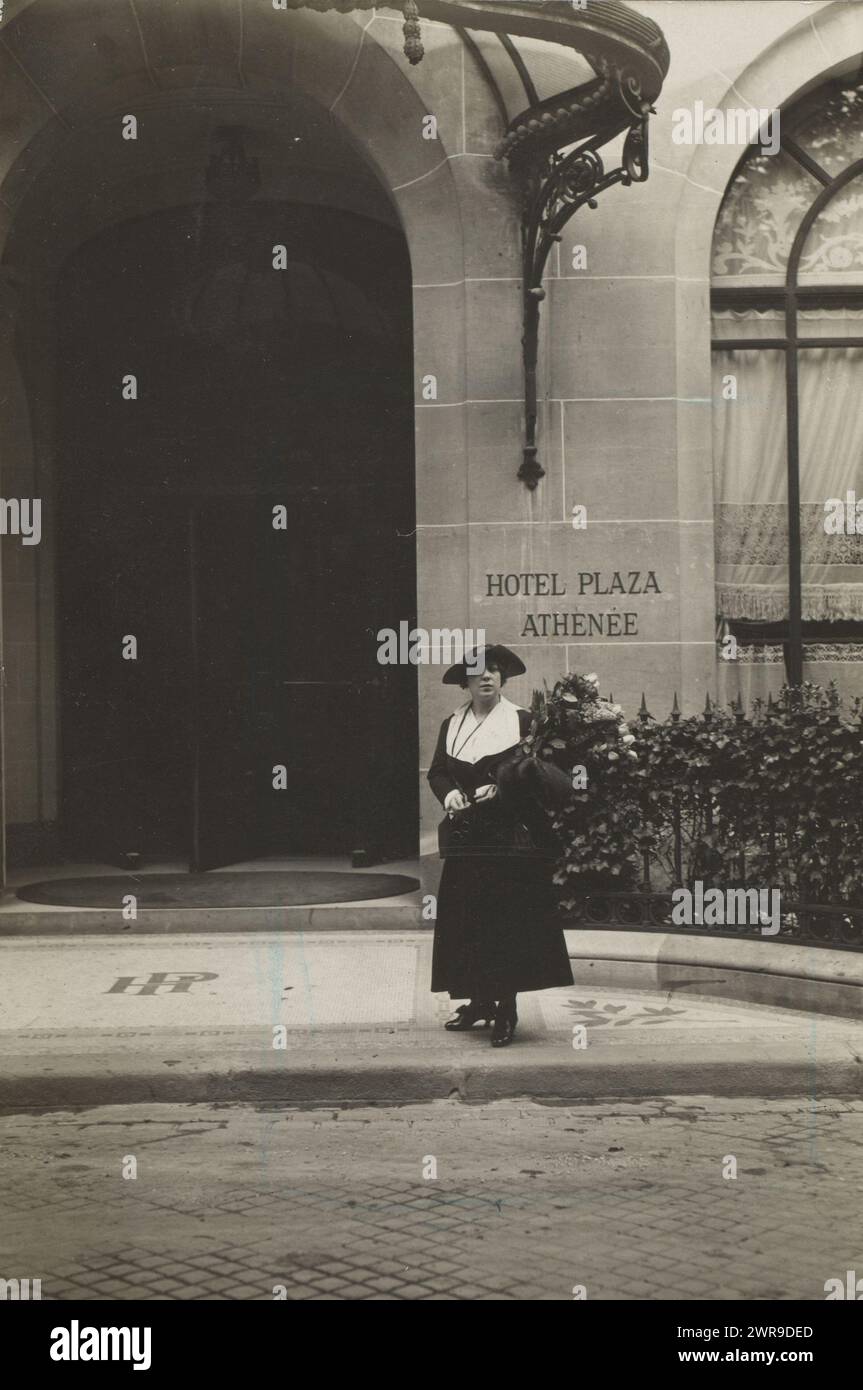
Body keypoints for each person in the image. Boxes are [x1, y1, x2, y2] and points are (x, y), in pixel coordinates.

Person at [427, 644, 574, 1046]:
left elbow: (540, 774)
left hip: (509, 839)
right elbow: (438, 771)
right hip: (468, 839)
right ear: (467, 683)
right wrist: (449, 795)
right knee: (468, 921)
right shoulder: (451, 724)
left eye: (493, 671)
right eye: (478, 673)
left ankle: (506, 1008)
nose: (486, 677)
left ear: (502, 679)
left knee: (506, 923)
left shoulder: (522, 721)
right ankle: (478, 1003)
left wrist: (504, 784)